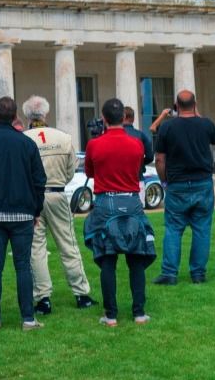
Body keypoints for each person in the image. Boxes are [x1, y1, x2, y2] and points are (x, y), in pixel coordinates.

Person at [0, 96, 46, 331]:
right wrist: (36, 210)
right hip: (22, 212)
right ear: (15, 117)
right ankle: (28, 319)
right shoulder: (27, 144)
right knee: (23, 265)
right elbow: (39, 180)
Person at [83, 98, 156, 326]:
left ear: (104, 118)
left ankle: (111, 314)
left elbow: (90, 172)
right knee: (136, 258)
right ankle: (139, 313)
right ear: (124, 118)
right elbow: (137, 170)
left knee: (107, 259)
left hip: (106, 201)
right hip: (131, 200)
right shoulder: (136, 144)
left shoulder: (95, 144)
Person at [21, 95, 96, 314]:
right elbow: (72, 168)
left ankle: (43, 298)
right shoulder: (63, 137)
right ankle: (81, 293)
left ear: (27, 115)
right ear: (45, 114)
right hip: (56, 192)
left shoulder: (24, 138)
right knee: (68, 244)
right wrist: (60, 181)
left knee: (36, 249)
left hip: (33, 198)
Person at [153, 90, 215, 285]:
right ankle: (198, 273)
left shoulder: (167, 127)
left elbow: (159, 160)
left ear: (176, 105)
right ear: (195, 104)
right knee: (201, 229)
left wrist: (164, 181)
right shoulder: (205, 124)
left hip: (178, 183)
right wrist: (197, 113)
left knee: (173, 229)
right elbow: (214, 138)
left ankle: (169, 273)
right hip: (202, 181)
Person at [122, 106, 154, 205]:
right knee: (138, 215)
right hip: (137, 179)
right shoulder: (141, 135)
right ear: (133, 119)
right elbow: (150, 156)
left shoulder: (114, 136)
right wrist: (140, 162)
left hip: (118, 183)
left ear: (122, 117)